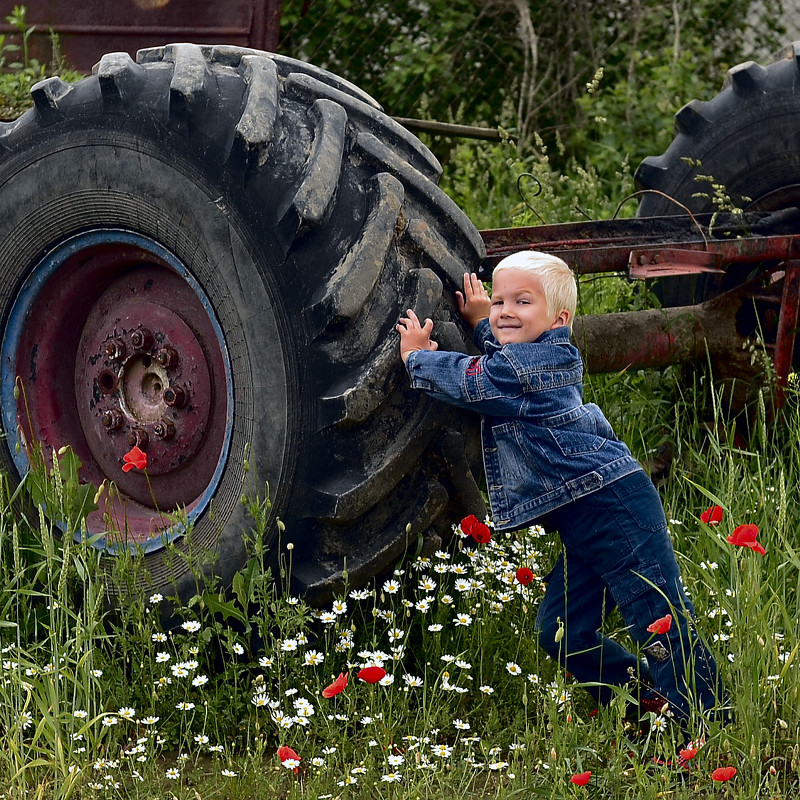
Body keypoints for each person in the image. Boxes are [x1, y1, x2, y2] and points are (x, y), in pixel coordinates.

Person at [396, 250, 726, 738]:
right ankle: (646, 705)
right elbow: (505, 359)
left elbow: (481, 379)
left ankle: (706, 725)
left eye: (522, 302)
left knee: (660, 619)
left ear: (560, 319)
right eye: (501, 299)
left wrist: (416, 357)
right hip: (586, 516)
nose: (505, 310)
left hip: (614, 506)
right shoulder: (526, 358)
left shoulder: (543, 360)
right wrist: (483, 320)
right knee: (562, 633)